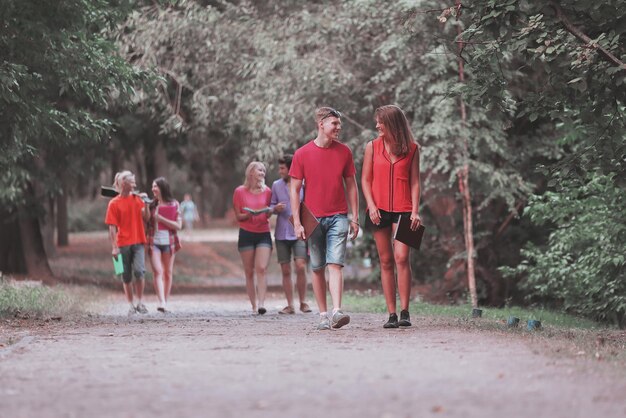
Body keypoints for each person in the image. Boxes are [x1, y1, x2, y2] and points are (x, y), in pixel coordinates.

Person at [289, 107, 359, 330]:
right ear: (321, 124)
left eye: (339, 124)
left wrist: (354, 217)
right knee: (317, 267)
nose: (339, 128)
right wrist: (298, 222)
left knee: (335, 263)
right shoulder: (302, 154)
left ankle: (337, 311)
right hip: (313, 218)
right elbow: (294, 189)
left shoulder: (344, 152)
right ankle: (322, 315)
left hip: (338, 216)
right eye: (334, 124)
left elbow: (351, 186)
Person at [361, 105, 421, 328]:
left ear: (392, 124)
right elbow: (365, 180)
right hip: (379, 209)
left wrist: (415, 210)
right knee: (385, 260)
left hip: (405, 208)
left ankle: (405, 312)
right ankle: (392, 314)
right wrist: (371, 205)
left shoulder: (413, 149)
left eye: (381, 122)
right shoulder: (372, 147)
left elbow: (415, 181)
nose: (377, 125)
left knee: (402, 258)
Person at [105, 170, 151, 316]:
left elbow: (147, 218)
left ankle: (140, 302)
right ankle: (131, 305)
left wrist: (147, 204)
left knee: (140, 271)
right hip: (122, 244)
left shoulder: (137, 199)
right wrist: (114, 247)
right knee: (125, 276)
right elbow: (112, 228)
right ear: (124, 184)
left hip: (139, 241)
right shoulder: (114, 203)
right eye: (132, 182)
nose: (135, 184)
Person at [270, 154, 312, 315]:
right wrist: (275, 208)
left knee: (301, 266)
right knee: (286, 269)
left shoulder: (302, 184)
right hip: (281, 233)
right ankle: (290, 305)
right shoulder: (275, 185)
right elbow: (271, 205)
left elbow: (309, 204)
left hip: (299, 231)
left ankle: (303, 302)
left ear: (290, 168)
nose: (279, 171)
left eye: (282, 168)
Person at [232, 161, 274, 315]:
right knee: (249, 271)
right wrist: (248, 214)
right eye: (259, 170)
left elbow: (270, 211)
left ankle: (262, 304)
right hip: (246, 234)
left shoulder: (268, 191)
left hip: (263, 232)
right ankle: (254, 305)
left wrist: (269, 211)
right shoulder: (239, 192)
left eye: (264, 170)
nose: (262, 173)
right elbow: (238, 216)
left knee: (261, 268)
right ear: (250, 173)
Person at [146, 177, 182, 313]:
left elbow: (178, 226)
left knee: (167, 272)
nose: (153, 189)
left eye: (155, 186)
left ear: (162, 188)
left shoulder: (175, 204)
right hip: (153, 241)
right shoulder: (151, 204)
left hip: (169, 242)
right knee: (157, 271)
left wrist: (161, 219)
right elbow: (145, 220)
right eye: (152, 186)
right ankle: (161, 300)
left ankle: (164, 302)